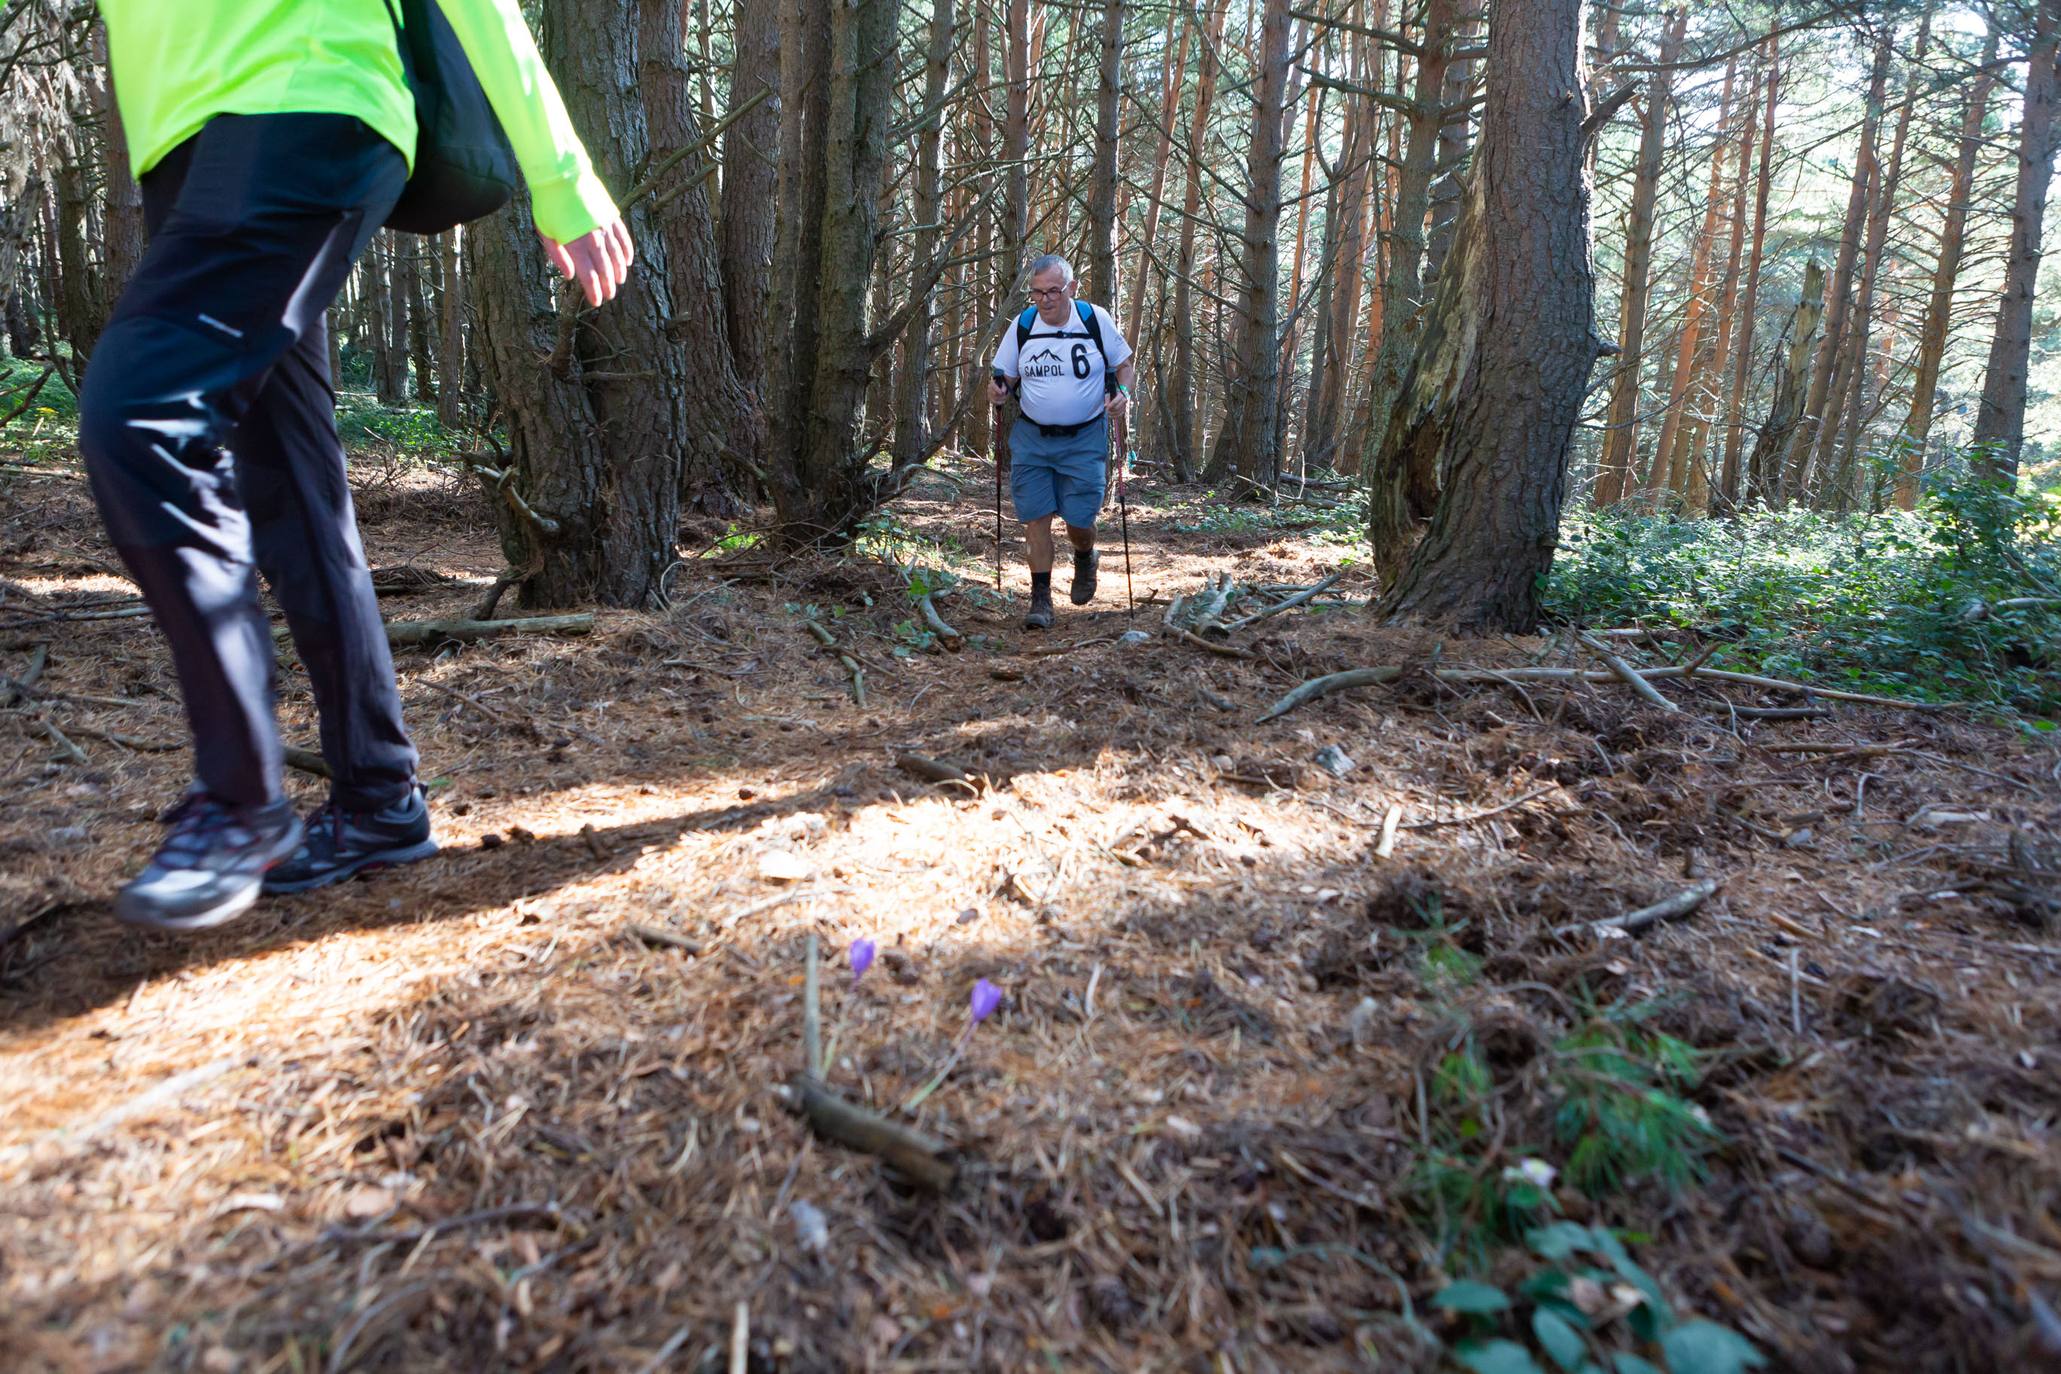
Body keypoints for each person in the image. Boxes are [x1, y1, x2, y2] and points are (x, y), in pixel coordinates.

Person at [83, 2, 634, 931]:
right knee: (291, 485)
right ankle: (378, 799)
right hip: (182, 138)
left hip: (299, 94)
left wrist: (562, 173)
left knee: (143, 417)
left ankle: (239, 799)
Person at [988, 254, 1135, 630]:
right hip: (1033, 438)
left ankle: (1085, 555)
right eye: (1037, 293)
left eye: (1053, 291)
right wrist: (998, 390)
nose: (1045, 300)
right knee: (1035, 519)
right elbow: (1005, 375)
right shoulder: (1023, 325)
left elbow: (1124, 365)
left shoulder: (1093, 319)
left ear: (1071, 288)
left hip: (1084, 438)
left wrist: (1122, 393)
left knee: (1079, 519)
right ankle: (1041, 600)